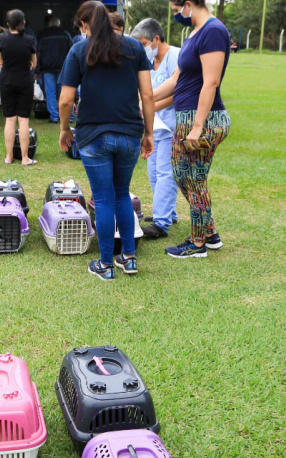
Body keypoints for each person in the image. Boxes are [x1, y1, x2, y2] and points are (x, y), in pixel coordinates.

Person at [59, 1, 155, 281]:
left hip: (93, 135)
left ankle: (105, 264)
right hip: (129, 133)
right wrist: (148, 133)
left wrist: (65, 129)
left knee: (102, 199)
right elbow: (147, 96)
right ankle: (129, 257)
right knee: (121, 194)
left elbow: (65, 99)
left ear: (85, 24)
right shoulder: (134, 48)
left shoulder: (79, 49)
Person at [153, 0, 231, 258]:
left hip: (204, 119)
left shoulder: (213, 31)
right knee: (181, 174)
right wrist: (146, 98)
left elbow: (211, 82)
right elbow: (176, 80)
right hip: (185, 117)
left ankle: (198, 244)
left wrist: (197, 127)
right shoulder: (194, 34)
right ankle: (210, 233)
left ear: (188, 4)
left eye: (176, 11)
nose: (177, 16)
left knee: (194, 179)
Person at [130, 18, 180, 240]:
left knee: (165, 173)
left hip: (171, 127)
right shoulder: (147, 62)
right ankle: (169, 213)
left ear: (156, 39)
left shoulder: (175, 57)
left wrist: (149, 106)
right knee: (153, 174)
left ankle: (161, 223)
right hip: (153, 127)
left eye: (142, 43)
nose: (141, 48)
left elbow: (177, 92)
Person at [0, 10, 38, 166]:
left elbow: (1, 62)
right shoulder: (29, 40)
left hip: (7, 81)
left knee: (10, 119)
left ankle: (9, 157)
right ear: (23, 22)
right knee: (23, 120)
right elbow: (34, 64)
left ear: (8, 24)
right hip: (24, 81)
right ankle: (25, 158)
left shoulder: (3, 40)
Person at [36, 16, 72, 123]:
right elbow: (71, 51)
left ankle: (54, 116)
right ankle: (66, 116)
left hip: (47, 68)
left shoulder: (43, 35)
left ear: (49, 25)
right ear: (59, 24)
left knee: (50, 92)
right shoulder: (65, 34)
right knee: (64, 92)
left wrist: (37, 70)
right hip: (63, 68)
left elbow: (38, 53)